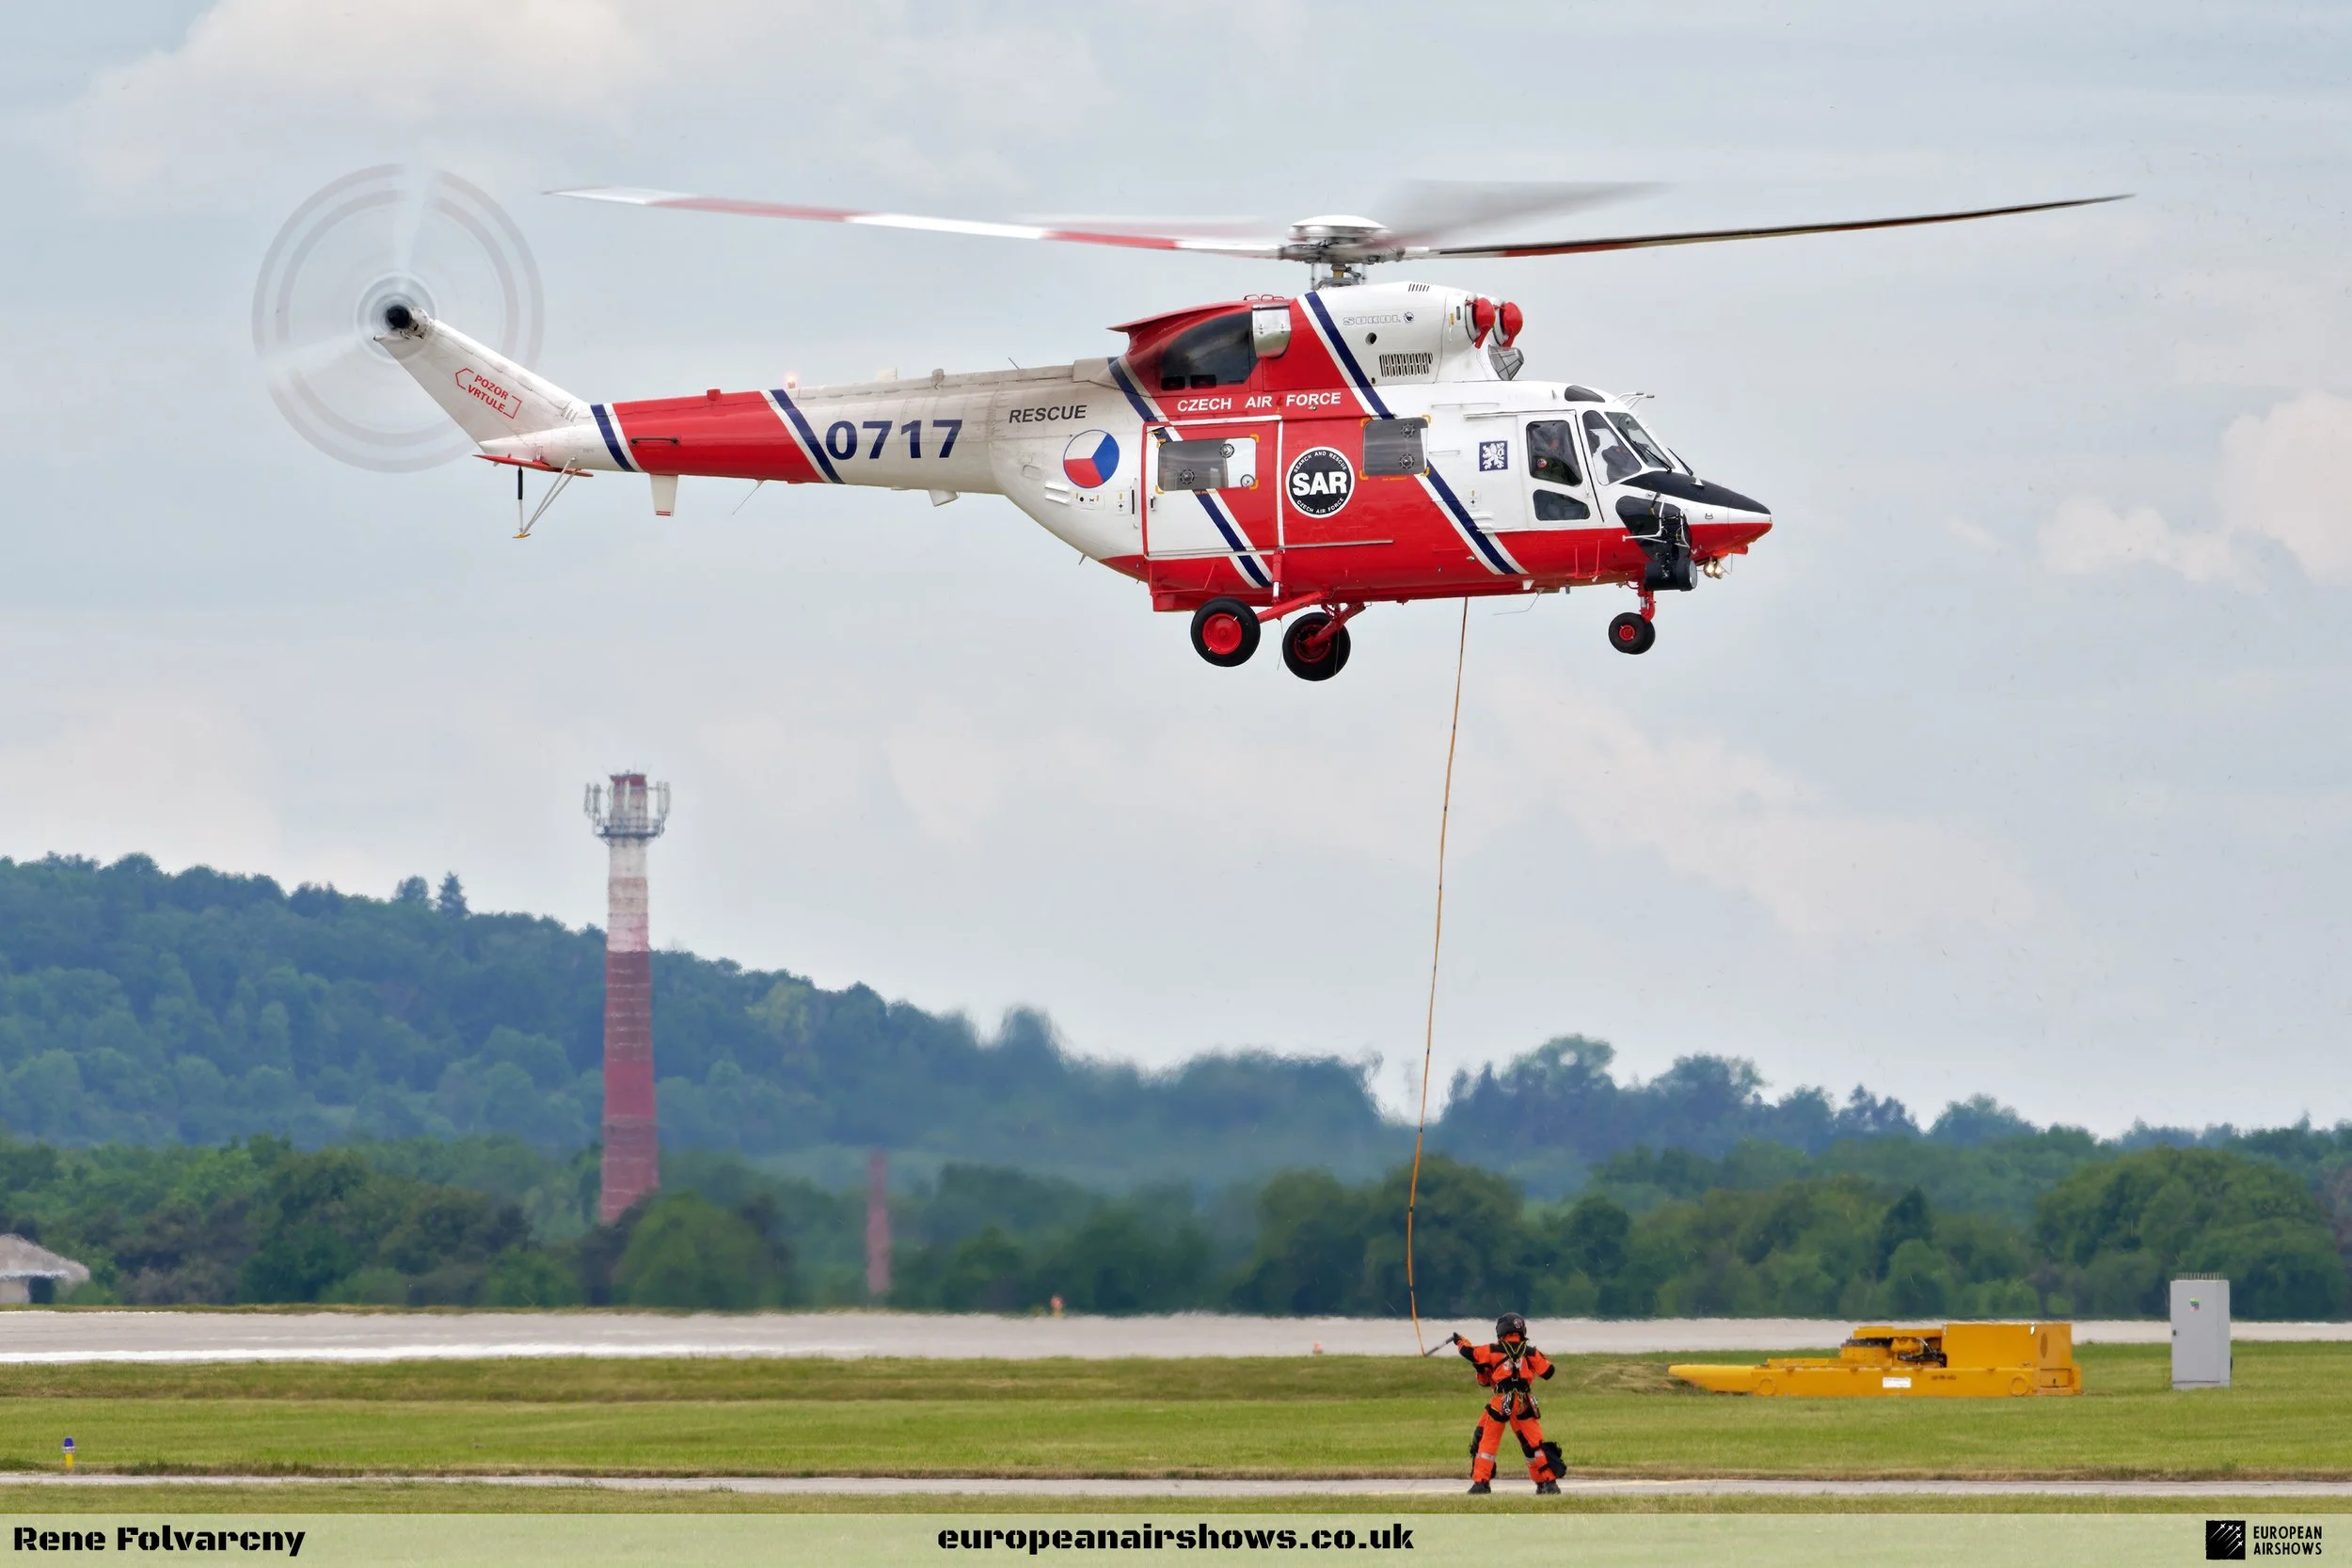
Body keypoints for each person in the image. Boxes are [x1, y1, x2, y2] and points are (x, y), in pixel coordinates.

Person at [1451, 1313, 1564, 1495]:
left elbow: (1469, 1353)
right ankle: (1548, 1482)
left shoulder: (1493, 1350)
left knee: (1487, 1441)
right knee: (1534, 1444)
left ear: (1501, 1330)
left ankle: (1481, 1482)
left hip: (1500, 1402)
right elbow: (1549, 1371)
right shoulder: (1530, 1352)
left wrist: (1461, 1341)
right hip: (1524, 1403)